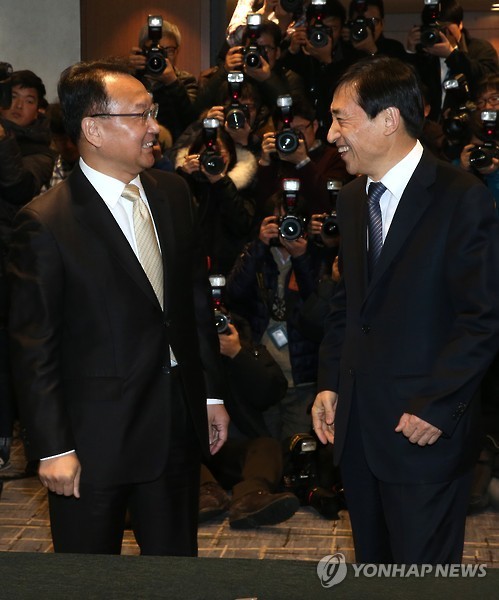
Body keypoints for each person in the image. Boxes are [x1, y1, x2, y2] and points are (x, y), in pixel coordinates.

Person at [7, 59, 229, 556]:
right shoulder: (46, 222)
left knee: (175, 573)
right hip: (93, 441)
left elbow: (192, 305)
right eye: (140, 115)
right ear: (93, 129)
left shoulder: (172, 193)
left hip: (175, 426)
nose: (155, 127)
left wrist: (210, 395)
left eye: (152, 112)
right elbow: (32, 347)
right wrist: (53, 447)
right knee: (90, 578)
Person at [311, 55, 499, 565]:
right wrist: (330, 383)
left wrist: (437, 406)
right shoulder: (351, 200)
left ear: (388, 119)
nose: (331, 135)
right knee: (374, 572)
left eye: (341, 119)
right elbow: (349, 306)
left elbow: (481, 318)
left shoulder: (462, 198)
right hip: (358, 434)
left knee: (423, 581)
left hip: (423, 434)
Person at [0, 69, 55, 471]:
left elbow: (19, 187)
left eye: (29, 99)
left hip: (10, 265)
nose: (19, 106)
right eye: (12, 97)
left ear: (40, 108)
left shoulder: (40, 147)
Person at [406, 0, 499, 122]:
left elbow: (487, 79)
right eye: (436, 27)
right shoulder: (425, 53)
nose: (441, 32)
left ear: (460, 24)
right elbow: (409, 88)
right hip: (430, 127)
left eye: (445, 27)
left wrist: (451, 55)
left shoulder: (480, 48)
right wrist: (411, 53)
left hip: (469, 124)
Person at [129, 18, 199, 142]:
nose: (160, 57)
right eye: (154, 51)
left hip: (175, 149)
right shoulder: (131, 80)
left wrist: (172, 82)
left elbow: (192, 122)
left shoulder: (185, 80)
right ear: (142, 51)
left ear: (177, 52)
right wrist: (128, 71)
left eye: (168, 51)